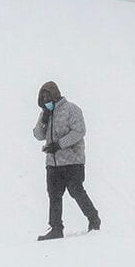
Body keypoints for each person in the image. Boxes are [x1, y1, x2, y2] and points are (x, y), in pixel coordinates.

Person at [32, 80, 100, 241]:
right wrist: (43, 120)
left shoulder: (72, 109)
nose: (46, 101)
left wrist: (59, 145)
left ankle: (94, 219)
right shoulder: (45, 113)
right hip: (53, 163)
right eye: (43, 98)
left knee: (76, 190)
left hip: (73, 161)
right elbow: (38, 135)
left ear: (55, 94)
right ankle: (56, 228)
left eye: (48, 97)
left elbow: (79, 131)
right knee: (54, 194)